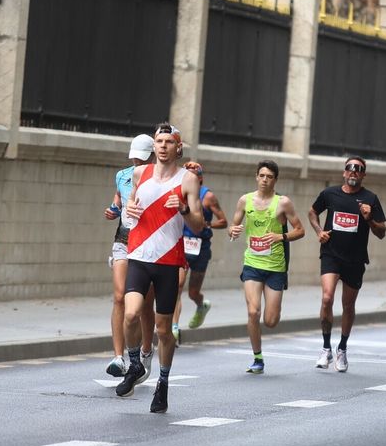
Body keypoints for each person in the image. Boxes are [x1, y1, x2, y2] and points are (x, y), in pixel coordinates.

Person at [114, 124, 205, 410]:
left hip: (168, 261)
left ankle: (162, 384)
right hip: (139, 256)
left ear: (178, 147)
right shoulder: (140, 173)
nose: (163, 146)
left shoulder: (188, 179)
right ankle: (135, 364)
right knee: (130, 315)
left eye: (169, 141)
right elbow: (130, 208)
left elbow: (198, 226)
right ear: (153, 146)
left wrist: (184, 209)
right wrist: (128, 211)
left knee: (164, 331)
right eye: (158, 141)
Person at [227, 160, 306, 373]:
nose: (264, 180)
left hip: (275, 267)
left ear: (275, 180)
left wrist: (280, 236)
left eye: (269, 177)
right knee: (253, 312)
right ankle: (257, 357)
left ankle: (272, 317)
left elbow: (300, 230)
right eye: (261, 175)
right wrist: (233, 231)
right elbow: (233, 225)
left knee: (270, 320)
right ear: (256, 177)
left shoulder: (283, 203)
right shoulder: (245, 200)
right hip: (252, 263)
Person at [309, 156, 386, 371]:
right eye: (350, 168)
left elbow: (382, 233)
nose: (354, 172)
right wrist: (319, 231)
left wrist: (370, 218)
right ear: (344, 172)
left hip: (355, 259)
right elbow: (312, 212)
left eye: (358, 169)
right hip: (331, 254)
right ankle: (326, 348)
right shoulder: (329, 194)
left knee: (348, 305)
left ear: (363, 174)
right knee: (327, 298)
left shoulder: (370, 198)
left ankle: (342, 348)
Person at [105, 135, 156, 377]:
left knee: (144, 303)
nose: (137, 161)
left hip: (149, 242)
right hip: (124, 239)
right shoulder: (123, 175)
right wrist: (113, 210)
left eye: (142, 157)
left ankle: (146, 350)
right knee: (119, 297)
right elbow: (118, 201)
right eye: (134, 156)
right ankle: (118, 357)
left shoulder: (160, 177)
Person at [172, 178, 226, 340]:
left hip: (200, 248)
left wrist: (207, 224)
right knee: (178, 286)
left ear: (200, 179)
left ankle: (201, 306)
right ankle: (174, 327)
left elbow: (223, 222)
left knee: (193, 292)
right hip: (182, 245)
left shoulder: (208, 197)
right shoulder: (179, 193)